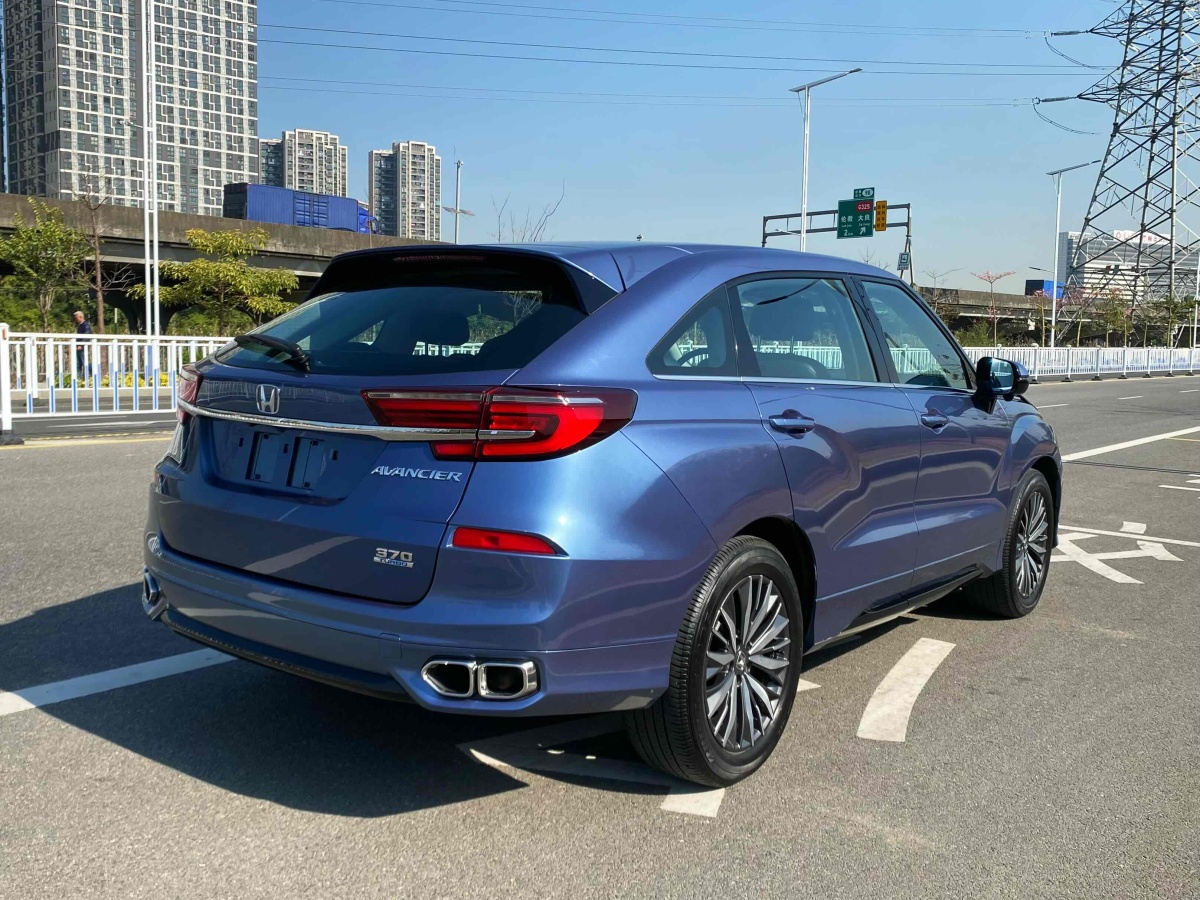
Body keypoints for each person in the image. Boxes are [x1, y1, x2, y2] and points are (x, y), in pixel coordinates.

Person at [73, 311, 93, 379]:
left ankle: (88, 377)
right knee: (79, 364)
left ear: (80, 317)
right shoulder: (81, 325)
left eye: (76, 318)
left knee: (84, 363)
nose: (75, 319)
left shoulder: (85, 325)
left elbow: (87, 336)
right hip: (79, 347)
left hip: (83, 348)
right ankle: (80, 378)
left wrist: (81, 345)